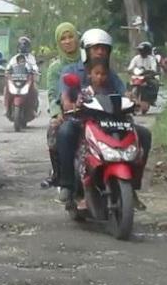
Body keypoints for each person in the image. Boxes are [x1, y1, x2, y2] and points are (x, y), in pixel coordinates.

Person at [56, 28, 152, 209]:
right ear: (86, 50)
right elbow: (65, 99)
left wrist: (134, 101)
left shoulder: (111, 75)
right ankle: (67, 185)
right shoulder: (71, 71)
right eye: (96, 48)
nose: (100, 52)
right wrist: (71, 106)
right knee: (65, 132)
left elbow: (125, 93)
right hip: (82, 122)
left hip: (112, 122)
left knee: (144, 134)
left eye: (104, 49)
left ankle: (132, 186)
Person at [42, 22, 81, 189]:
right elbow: (52, 94)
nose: (67, 41)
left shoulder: (88, 60)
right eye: (63, 39)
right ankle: (60, 175)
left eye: (70, 36)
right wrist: (57, 113)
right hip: (66, 111)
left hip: (91, 108)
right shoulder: (55, 68)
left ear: (77, 38)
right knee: (53, 132)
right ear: (59, 43)